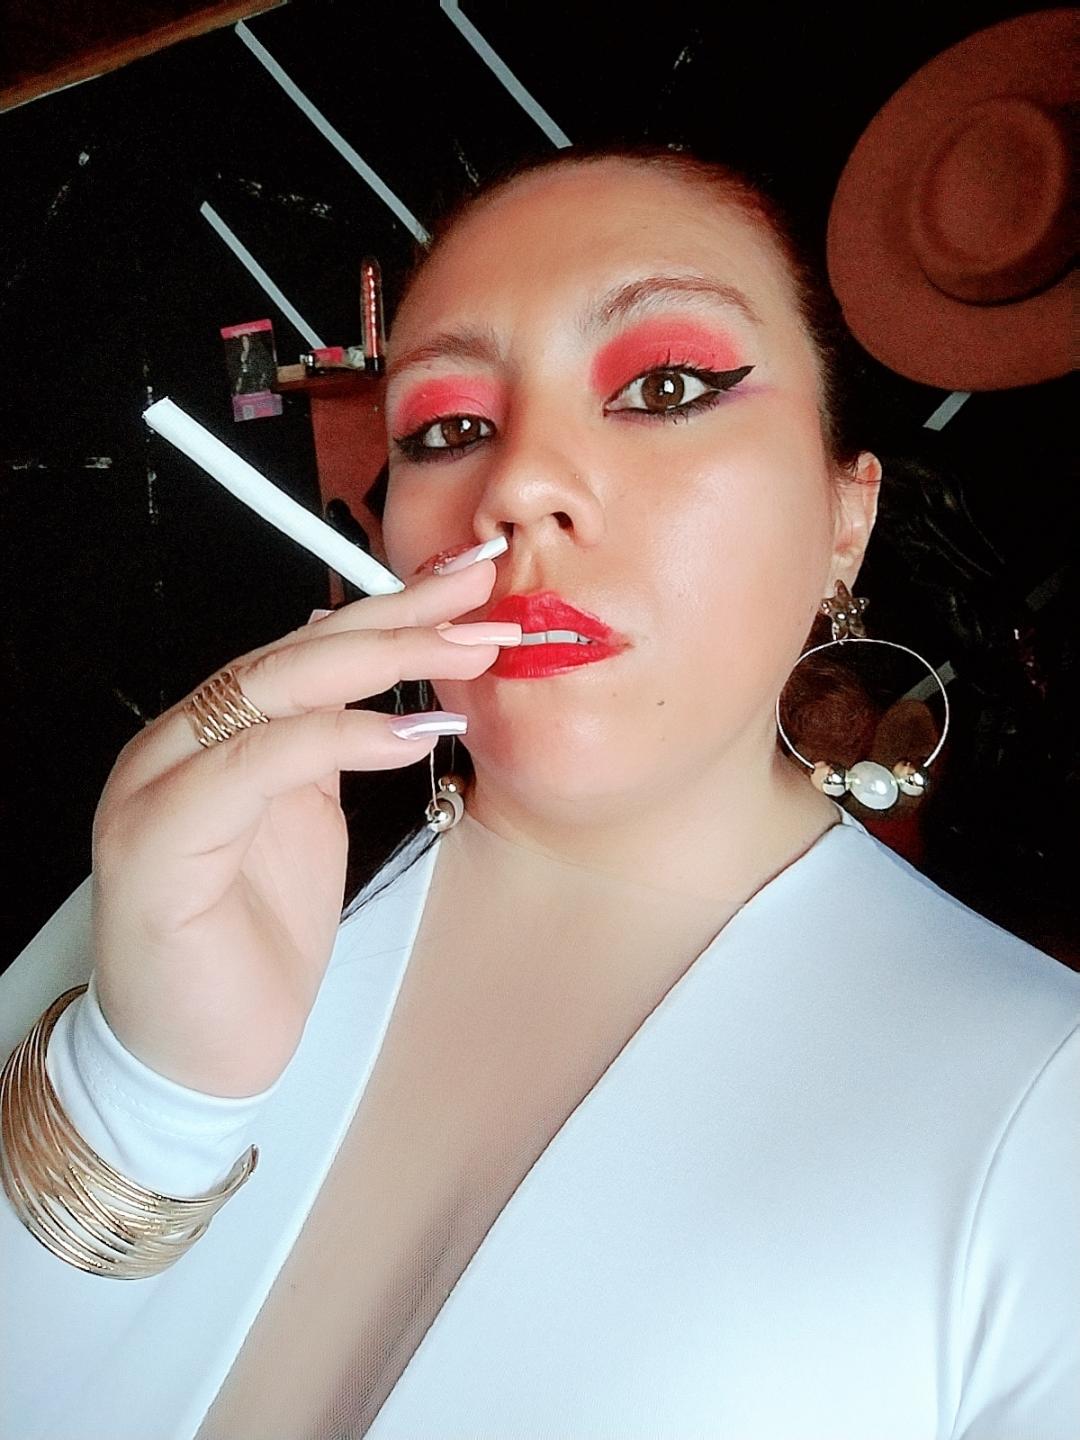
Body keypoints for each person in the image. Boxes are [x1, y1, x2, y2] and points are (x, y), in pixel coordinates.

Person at [1, 145, 1077, 1440]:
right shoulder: (208, 882)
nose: (512, 486)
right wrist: (141, 1099)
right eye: (448, 430)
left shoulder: (1047, 1116)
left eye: (666, 385)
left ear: (845, 519)